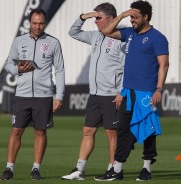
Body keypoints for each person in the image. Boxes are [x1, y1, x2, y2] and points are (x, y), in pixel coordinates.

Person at [94, 0, 169, 181]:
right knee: (123, 130)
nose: (132, 21)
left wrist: (159, 89)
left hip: (147, 93)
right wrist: (121, 16)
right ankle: (117, 170)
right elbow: (106, 31)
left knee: (148, 130)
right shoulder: (129, 34)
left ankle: (146, 169)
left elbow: (164, 65)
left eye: (135, 17)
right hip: (128, 92)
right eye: (131, 17)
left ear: (146, 17)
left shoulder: (157, 37)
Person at [61, 2, 125, 181]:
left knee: (111, 133)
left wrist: (121, 91)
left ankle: (114, 169)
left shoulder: (121, 38)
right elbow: (73, 32)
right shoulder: (95, 36)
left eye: (99, 18)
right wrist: (83, 17)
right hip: (95, 94)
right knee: (88, 130)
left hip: (112, 94)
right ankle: (79, 170)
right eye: (95, 18)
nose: (95, 21)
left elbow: (126, 67)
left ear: (111, 19)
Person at [0, 8, 65, 180]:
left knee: (40, 132)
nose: (38, 26)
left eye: (41, 23)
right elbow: (8, 64)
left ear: (45, 22)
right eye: (35, 23)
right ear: (30, 23)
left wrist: (59, 96)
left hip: (44, 96)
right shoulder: (19, 41)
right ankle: (9, 168)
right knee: (16, 131)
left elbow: (60, 70)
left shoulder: (53, 42)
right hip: (22, 94)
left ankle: (36, 168)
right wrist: (18, 69)